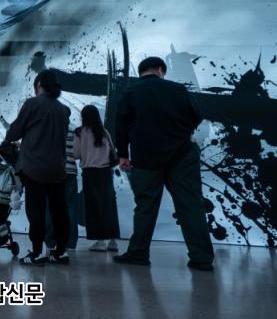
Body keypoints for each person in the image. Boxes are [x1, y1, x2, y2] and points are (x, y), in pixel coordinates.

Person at [114, 56, 214, 271]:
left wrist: (123, 154)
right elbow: (197, 115)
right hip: (182, 155)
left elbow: (120, 125)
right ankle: (202, 258)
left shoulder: (131, 92)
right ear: (160, 70)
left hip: (146, 156)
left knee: (145, 207)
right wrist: (181, 130)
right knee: (191, 205)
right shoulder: (178, 89)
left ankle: (138, 253)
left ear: (141, 72)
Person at [4, 70, 71, 266]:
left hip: (35, 168)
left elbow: (14, 133)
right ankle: (60, 252)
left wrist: (11, 138)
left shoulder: (33, 104)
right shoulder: (63, 109)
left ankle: (37, 252)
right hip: (58, 169)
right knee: (59, 211)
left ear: (39, 84)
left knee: (36, 211)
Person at [73, 105, 120, 252]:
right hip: (106, 173)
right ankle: (113, 241)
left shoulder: (80, 132)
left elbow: (76, 154)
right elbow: (113, 153)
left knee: (94, 208)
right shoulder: (104, 132)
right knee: (109, 205)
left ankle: (100, 241)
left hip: (90, 174)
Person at [45, 126, 80, 251]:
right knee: (70, 207)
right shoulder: (73, 132)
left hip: (52, 172)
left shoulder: (50, 130)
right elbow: (76, 154)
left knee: (50, 207)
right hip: (70, 172)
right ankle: (70, 244)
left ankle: (50, 243)